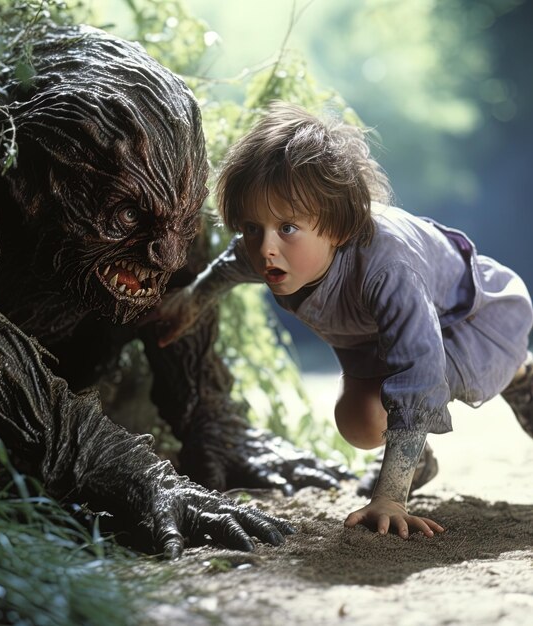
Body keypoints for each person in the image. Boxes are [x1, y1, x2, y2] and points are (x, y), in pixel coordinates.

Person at [154, 101, 533, 539]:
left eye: (287, 228)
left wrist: (391, 496)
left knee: (431, 379)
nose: (264, 248)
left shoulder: (387, 268)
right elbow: (229, 265)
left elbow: (418, 374)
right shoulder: (264, 250)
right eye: (253, 228)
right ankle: (417, 457)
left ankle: (518, 374)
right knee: (359, 420)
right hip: (374, 336)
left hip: (468, 319)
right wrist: (191, 301)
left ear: (336, 229)